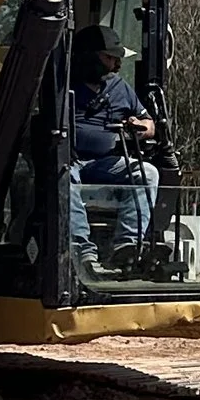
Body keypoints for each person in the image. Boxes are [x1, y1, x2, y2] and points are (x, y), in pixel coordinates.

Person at [69, 25, 159, 262]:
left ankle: (127, 246)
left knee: (148, 173)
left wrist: (141, 127)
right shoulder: (61, 86)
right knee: (60, 174)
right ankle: (81, 248)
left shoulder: (120, 87)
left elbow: (150, 124)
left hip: (104, 163)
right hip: (70, 160)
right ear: (89, 56)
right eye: (110, 58)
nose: (117, 65)